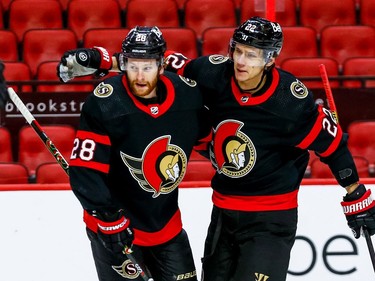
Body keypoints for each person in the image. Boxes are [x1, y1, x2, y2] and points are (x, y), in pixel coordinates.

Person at [57, 17, 375, 281]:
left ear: (271, 59)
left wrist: (355, 193)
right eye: (238, 51)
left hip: (270, 218)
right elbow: (156, 64)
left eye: (252, 55)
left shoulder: (289, 102)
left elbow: (332, 145)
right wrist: (102, 60)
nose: (241, 61)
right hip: (223, 212)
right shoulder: (211, 73)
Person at [58, 26, 210, 281]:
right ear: (124, 64)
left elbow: (209, 139)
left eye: (148, 67)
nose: (139, 76)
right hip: (115, 226)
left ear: (162, 66)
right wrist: (108, 220)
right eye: (132, 66)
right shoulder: (106, 101)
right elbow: (85, 172)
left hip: (165, 226)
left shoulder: (187, 96)